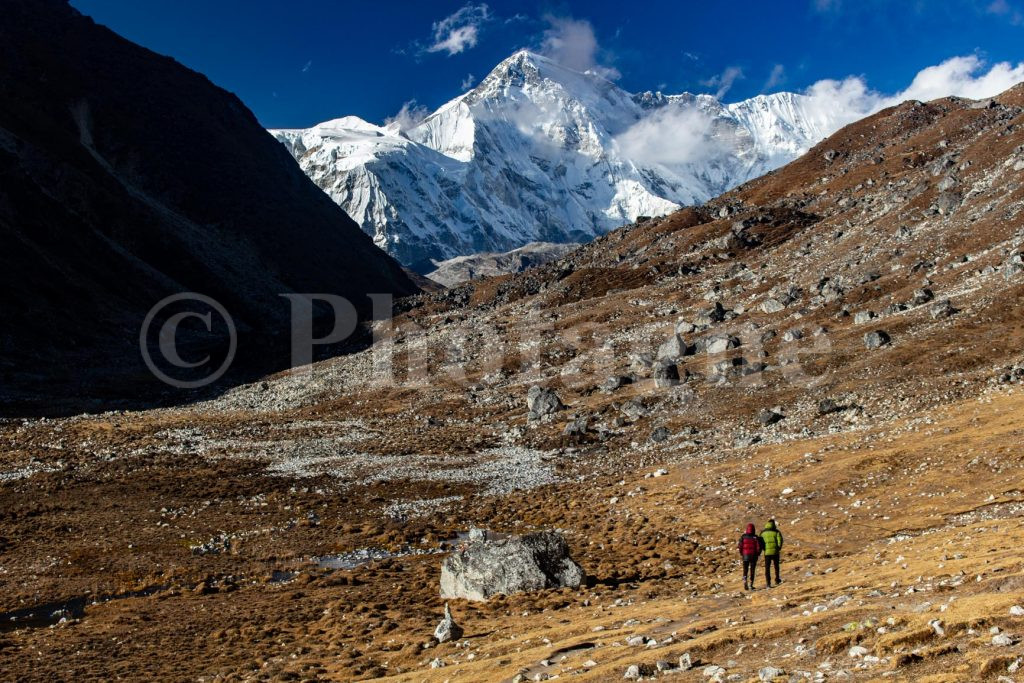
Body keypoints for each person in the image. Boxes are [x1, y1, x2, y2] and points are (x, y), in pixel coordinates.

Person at [737, 523, 764, 591]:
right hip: (753, 556)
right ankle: (751, 584)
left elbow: (740, 546)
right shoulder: (756, 537)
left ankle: (745, 580)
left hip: (745, 556)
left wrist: (742, 553)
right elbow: (758, 547)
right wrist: (758, 554)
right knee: (752, 570)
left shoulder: (743, 537)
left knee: (745, 570)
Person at [761, 519, 784, 587]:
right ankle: (777, 580)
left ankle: (768, 583)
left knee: (767, 568)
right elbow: (780, 541)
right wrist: (778, 548)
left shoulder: (763, 533)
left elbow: (760, 542)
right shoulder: (776, 532)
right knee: (776, 566)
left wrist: (764, 549)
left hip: (767, 553)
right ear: (774, 524)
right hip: (775, 552)